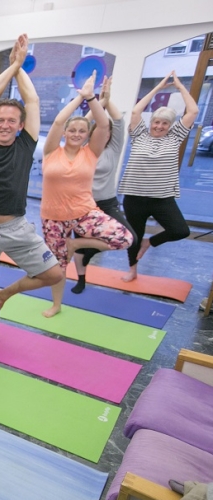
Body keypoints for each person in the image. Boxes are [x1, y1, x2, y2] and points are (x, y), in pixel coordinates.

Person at [0, 34, 64, 345]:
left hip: (14, 226)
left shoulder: (25, 145)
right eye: (0, 120)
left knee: (54, 274)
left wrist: (19, 67)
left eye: (12, 121)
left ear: (21, 126)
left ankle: (5, 295)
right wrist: (11, 68)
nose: (5, 125)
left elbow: (32, 102)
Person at [38, 71, 133, 317]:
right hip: (53, 218)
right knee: (58, 266)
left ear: (87, 135)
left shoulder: (91, 152)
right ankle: (57, 304)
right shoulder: (51, 151)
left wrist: (92, 98)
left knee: (125, 238)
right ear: (65, 133)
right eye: (73, 130)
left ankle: (76, 244)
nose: (77, 134)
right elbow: (58, 121)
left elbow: (103, 124)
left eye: (82, 131)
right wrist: (80, 97)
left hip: (84, 213)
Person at [118, 71, 198, 282]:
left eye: (164, 124)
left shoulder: (175, 138)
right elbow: (136, 111)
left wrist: (180, 87)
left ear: (170, 126)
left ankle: (149, 243)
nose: (159, 126)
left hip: (161, 198)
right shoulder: (139, 135)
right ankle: (132, 270)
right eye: (156, 122)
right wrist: (158, 88)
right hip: (134, 197)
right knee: (134, 236)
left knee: (180, 230)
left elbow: (193, 111)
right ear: (151, 122)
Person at [71, 75, 137, 294]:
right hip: (83, 205)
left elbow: (118, 122)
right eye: (101, 129)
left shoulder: (113, 148)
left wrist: (107, 100)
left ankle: (87, 249)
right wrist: (95, 101)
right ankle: (81, 279)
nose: (105, 133)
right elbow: (80, 124)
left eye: (108, 130)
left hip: (107, 203)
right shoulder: (81, 150)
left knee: (130, 238)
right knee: (81, 242)